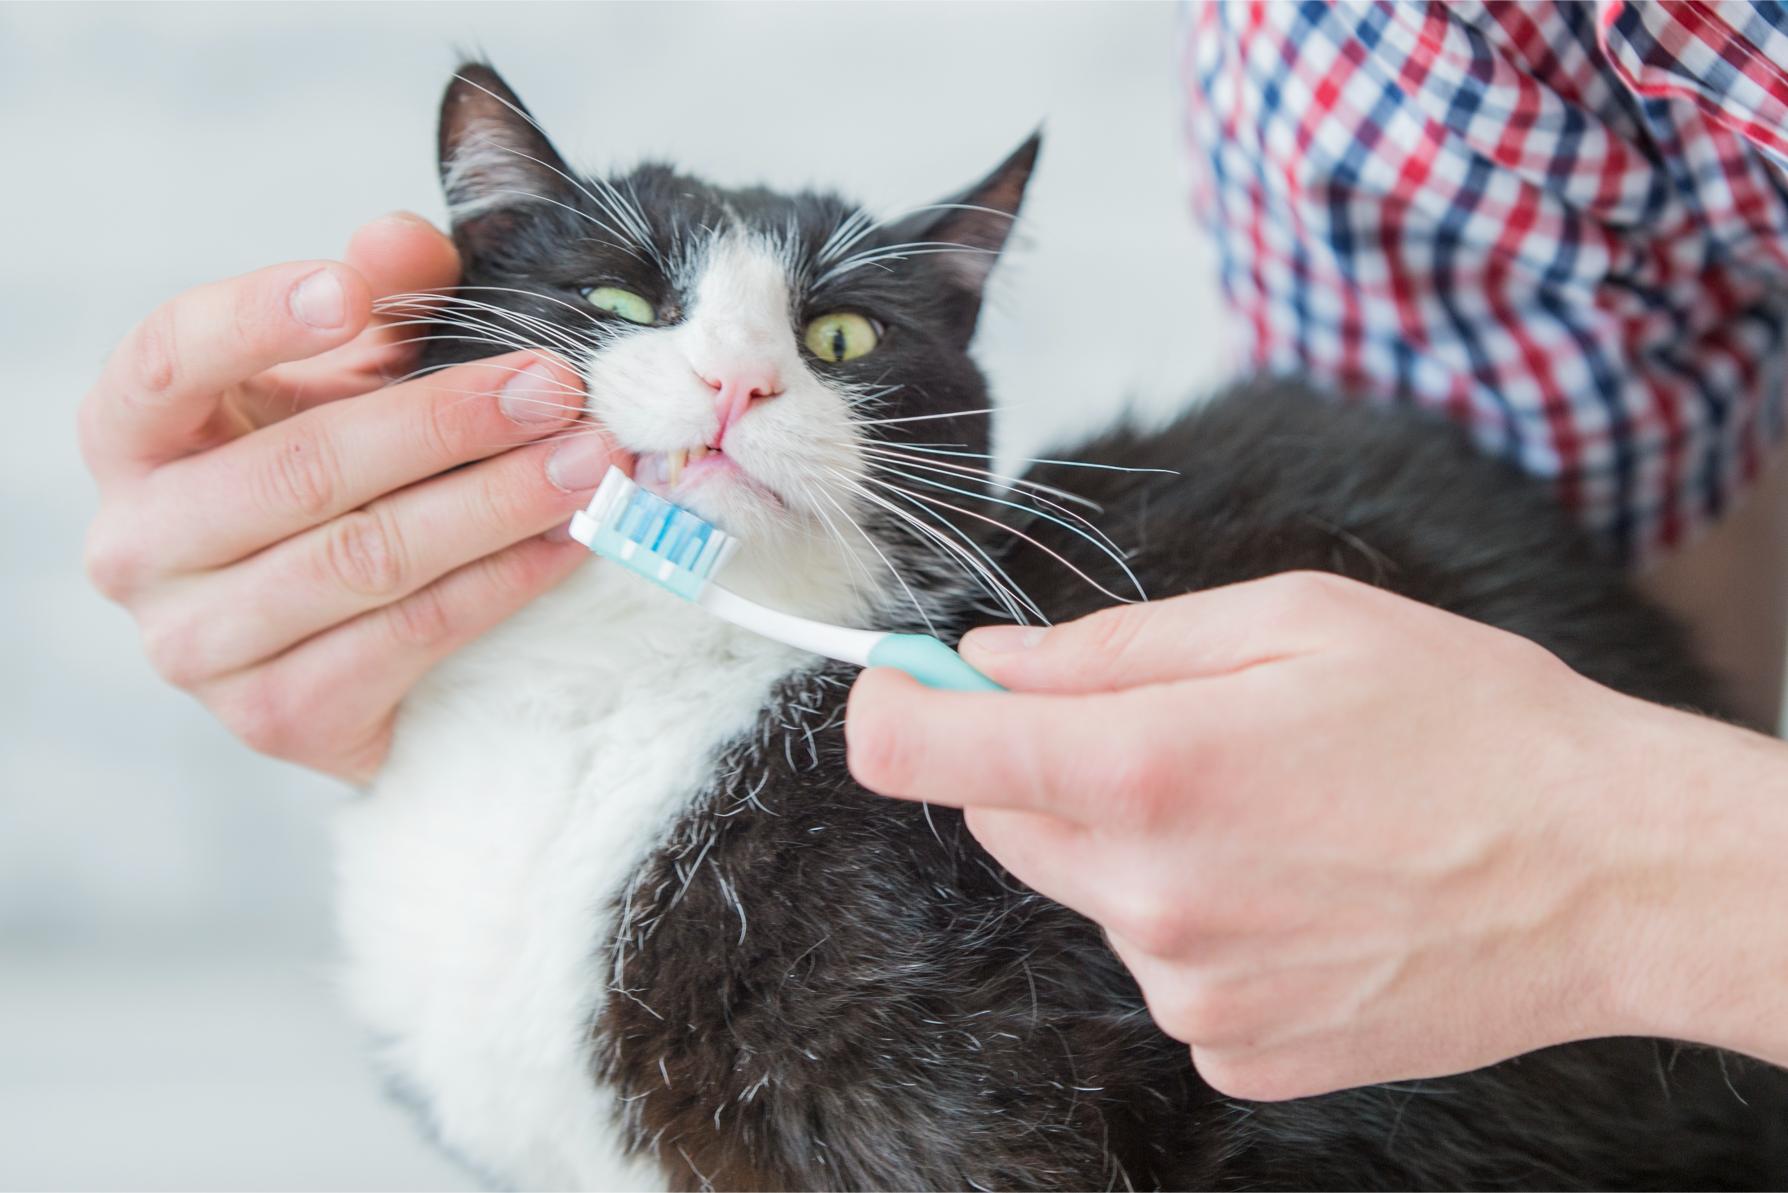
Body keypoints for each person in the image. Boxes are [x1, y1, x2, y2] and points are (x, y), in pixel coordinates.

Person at [82, 1, 1788, 1104]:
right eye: (628, 305)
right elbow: (1611, 574)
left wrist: (1634, 873)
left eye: (836, 341)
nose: (740, 370)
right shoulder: (1406, 51)